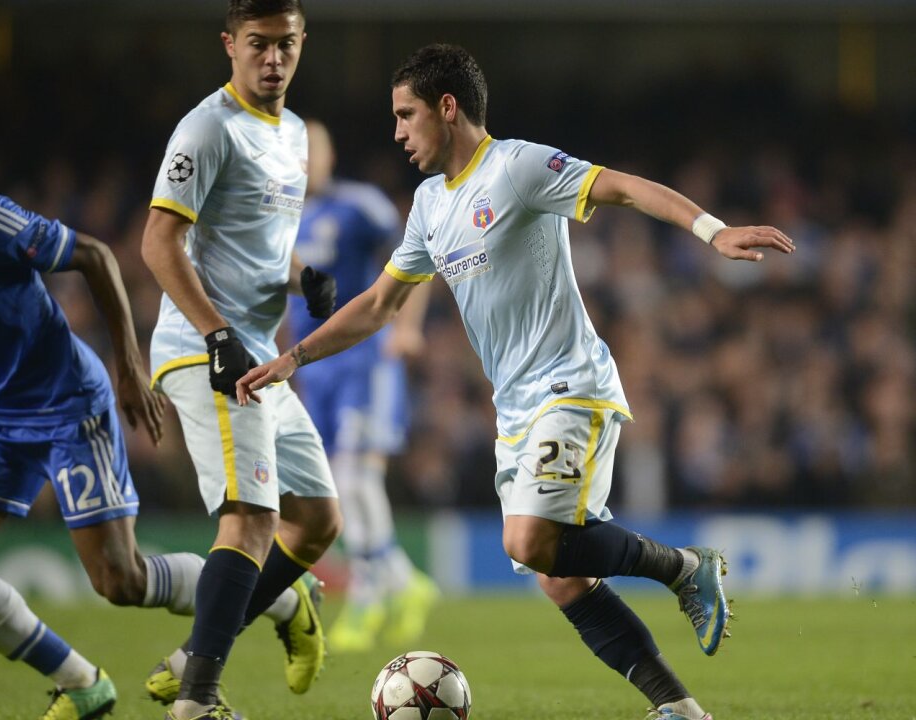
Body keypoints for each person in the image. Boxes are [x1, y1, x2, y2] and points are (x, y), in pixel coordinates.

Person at [239, 44, 796, 720]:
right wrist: (295, 357)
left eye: (406, 114)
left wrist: (712, 232)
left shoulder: (518, 166)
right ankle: (678, 708)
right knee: (561, 580)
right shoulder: (429, 204)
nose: (397, 132)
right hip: (516, 409)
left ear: (447, 108)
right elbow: (380, 303)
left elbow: (622, 187)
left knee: (528, 542)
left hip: (571, 386)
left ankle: (683, 567)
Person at [0, 92, 308, 720]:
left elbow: (94, 255)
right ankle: (81, 683)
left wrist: (128, 367)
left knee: (121, 582)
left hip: (68, 402)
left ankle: (280, 597)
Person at [139, 2, 342, 719]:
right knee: (251, 519)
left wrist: (299, 278)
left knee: (315, 520)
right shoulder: (208, 128)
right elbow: (159, 241)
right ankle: (198, 699)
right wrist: (217, 333)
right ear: (230, 44)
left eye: (286, 43)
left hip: (257, 356)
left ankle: (202, 654)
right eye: (259, 43)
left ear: (302, 43)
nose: (273, 58)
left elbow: (253, 246)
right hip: (207, 351)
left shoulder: (293, 133)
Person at [290, 119, 439, 653]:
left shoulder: (362, 206)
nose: (306, 159)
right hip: (315, 367)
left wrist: (406, 326)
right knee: (338, 481)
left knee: (356, 477)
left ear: (331, 155)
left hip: (363, 357)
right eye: (297, 149)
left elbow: (419, 254)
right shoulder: (278, 215)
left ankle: (369, 592)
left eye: (315, 149)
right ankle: (403, 581)